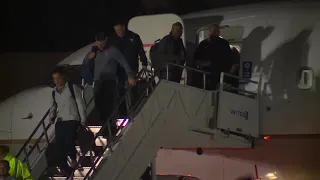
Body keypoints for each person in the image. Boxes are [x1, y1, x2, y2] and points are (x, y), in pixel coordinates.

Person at [82, 32, 136, 139]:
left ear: (106, 40)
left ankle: (112, 127)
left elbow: (124, 63)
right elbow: (85, 63)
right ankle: (106, 129)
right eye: (98, 42)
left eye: (102, 42)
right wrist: (89, 58)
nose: (100, 45)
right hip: (98, 82)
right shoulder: (94, 51)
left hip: (109, 82)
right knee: (99, 106)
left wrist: (130, 76)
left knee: (109, 105)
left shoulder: (113, 51)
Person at [49, 66, 87, 176]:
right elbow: (53, 105)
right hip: (60, 120)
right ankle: (65, 167)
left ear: (63, 77)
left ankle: (73, 157)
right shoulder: (54, 92)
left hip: (72, 118)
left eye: (58, 78)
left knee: (69, 142)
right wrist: (51, 116)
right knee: (60, 146)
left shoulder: (72, 87)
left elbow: (80, 103)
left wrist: (83, 118)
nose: (57, 81)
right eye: (54, 79)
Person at [108, 21, 148, 117]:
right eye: (116, 30)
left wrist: (144, 63)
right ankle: (123, 114)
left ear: (124, 28)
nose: (118, 32)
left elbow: (140, 51)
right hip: (118, 70)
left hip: (131, 68)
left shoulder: (134, 37)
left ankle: (134, 111)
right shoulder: (112, 39)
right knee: (119, 92)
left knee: (131, 89)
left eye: (119, 30)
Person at [194, 24, 233, 90]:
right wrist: (202, 63)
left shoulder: (224, 43)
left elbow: (229, 59)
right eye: (211, 31)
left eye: (215, 31)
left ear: (219, 33)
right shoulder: (203, 44)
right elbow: (196, 59)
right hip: (206, 75)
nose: (213, 33)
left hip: (220, 74)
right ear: (209, 32)